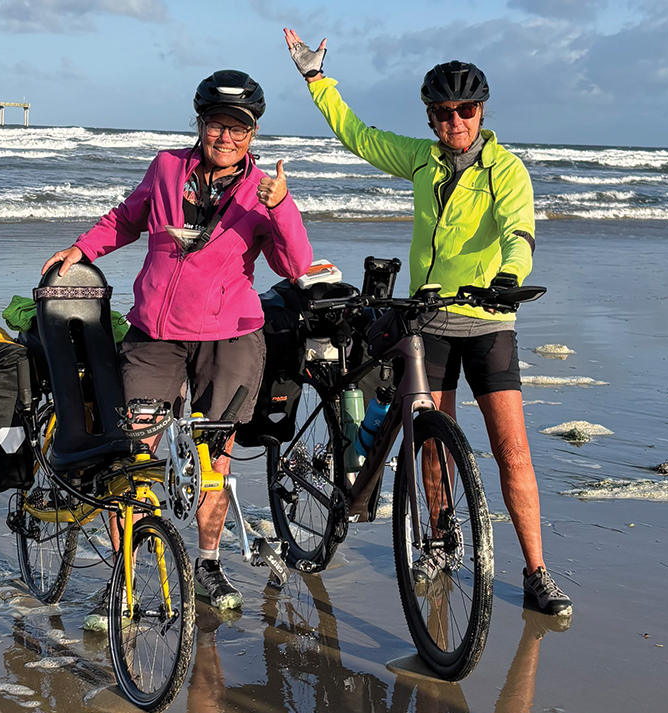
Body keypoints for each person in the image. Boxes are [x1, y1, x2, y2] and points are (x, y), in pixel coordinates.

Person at [284, 29, 572, 616]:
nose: (454, 121)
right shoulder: (421, 158)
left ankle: (538, 572)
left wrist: (510, 278)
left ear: (481, 111)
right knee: (431, 447)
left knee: (511, 450)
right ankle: (439, 541)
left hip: (490, 321)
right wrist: (317, 80)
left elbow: (520, 234)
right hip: (430, 322)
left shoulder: (505, 170)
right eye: (442, 113)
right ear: (432, 117)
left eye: (464, 110)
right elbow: (358, 137)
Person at [41, 69, 313, 620]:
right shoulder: (167, 168)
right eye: (217, 125)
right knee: (134, 456)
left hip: (230, 337)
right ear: (201, 123)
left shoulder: (265, 192)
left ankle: (208, 565)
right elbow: (126, 218)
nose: (227, 138)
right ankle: (127, 574)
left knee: (216, 461)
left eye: (240, 129)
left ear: (254, 134)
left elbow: (295, 265)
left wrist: (282, 207)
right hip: (155, 337)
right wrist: (81, 250)